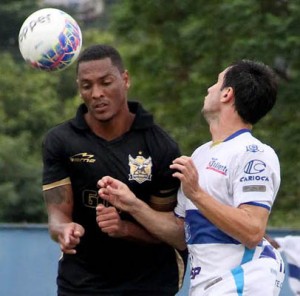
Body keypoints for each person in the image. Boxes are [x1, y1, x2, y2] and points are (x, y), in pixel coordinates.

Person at [97, 59, 285, 295]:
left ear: (227, 94)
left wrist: (196, 193)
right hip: (206, 287)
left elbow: (253, 231)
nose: (209, 89)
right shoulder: (200, 154)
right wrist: (132, 205)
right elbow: (181, 235)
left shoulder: (255, 154)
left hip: (242, 283)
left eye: (216, 83)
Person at [42, 44, 187, 296]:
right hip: (82, 283)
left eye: (105, 82)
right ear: (80, 89)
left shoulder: (160, 146)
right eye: (87, 86)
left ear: (125, 79)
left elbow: (170, 232)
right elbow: (57, 214)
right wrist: (63, 230)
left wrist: (126, 229)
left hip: (149, 282)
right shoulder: (60, 141)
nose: (97, 93)